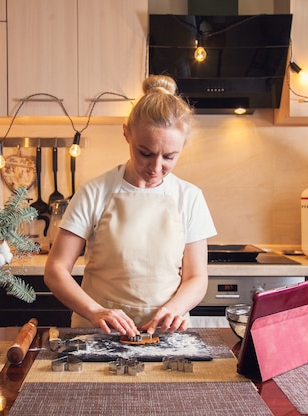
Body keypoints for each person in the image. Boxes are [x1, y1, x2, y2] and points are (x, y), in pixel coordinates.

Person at [44, 75, 217, 338]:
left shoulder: (189, 197)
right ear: (126, 133)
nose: (156, 167)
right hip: (98, 333)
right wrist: (94, 311)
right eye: (145, 153)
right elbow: (56, 270)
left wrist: (175, 309)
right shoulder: (94, 192)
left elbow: (196, 277)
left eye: (169, 157)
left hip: (165, 336)